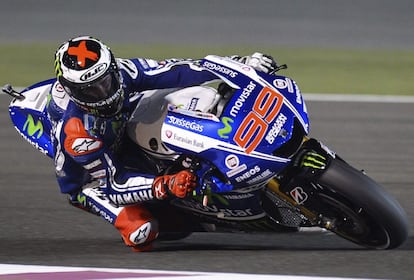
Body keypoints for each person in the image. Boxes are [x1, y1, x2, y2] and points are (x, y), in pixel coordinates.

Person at [47, 35, 278, 251]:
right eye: (89, 91)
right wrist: (166, 184)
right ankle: (198, 217)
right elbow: (115, 186)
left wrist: (239, 65)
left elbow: (179, 71)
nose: (102, 92)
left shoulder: (124, 71)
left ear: (112, 68)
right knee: (141, 232)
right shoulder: (79, 134)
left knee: (189, 104)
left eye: (104, 82)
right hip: (95, 181)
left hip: (125, 128)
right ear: (71, 91)